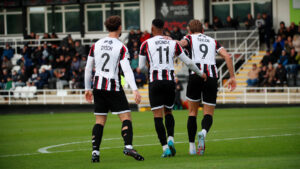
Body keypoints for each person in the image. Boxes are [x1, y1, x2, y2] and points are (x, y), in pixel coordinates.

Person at [139, 18, 206, 158]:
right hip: (169, 82)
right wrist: (200, 73)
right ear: (163, 28)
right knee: (168, 111)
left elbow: (141, 68)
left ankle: (165, 148)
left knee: (157, 116)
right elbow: (188, 62)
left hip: (155, 82)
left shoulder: (145, 43)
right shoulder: (172, 43)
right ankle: (171, 139)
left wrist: (149, 71)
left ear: (152, 29)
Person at [84, 15, 144, 163]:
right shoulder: (121, 47)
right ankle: (128, 146)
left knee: (99, 121)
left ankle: (95, 152)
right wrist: (135, 89)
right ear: (119, 28)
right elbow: (127, 70)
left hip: (98, 86)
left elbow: (87, 68)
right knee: (126, 117)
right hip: (113, 86)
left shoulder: (96, 44)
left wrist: (87, 88)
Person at [177, 19, 236, 155]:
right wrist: (232, 77)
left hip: (196, 74)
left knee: (192, 112)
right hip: (211, 77)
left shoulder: (189, 37)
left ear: (189, 30)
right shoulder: (212, 41)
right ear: (203, 30)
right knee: (208, 113)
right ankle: (203, 132)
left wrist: (172, 41)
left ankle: (192, 147)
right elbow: (227, 56)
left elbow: (181, 44)